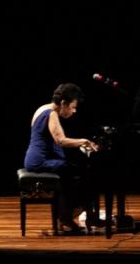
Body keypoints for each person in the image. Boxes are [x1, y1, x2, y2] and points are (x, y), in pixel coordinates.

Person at [23, 82, 102, 233]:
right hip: (40, 161)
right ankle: (74, 215)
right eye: (72, 107)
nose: (74, 111)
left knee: (73, 171)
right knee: (83, 173)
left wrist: (78, 145)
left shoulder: (42, 108)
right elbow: (61, 140)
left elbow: (50, 141)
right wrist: (84, 141)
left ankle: (69, 215)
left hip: (35, 159)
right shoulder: (51, 113)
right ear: (63, 103)